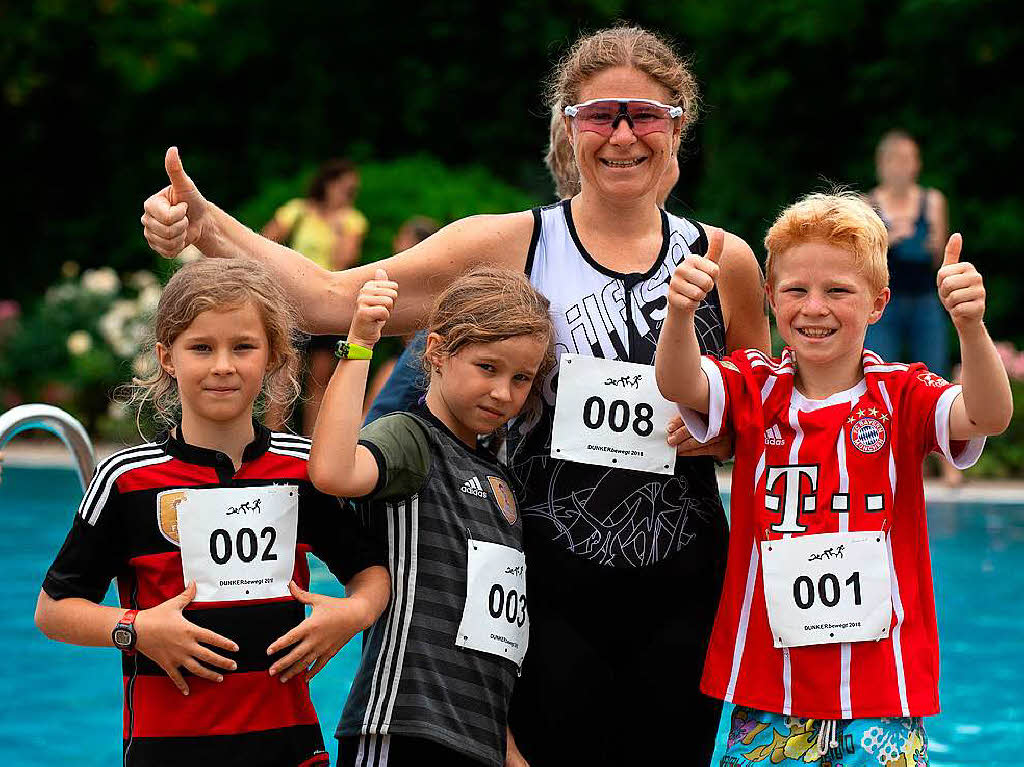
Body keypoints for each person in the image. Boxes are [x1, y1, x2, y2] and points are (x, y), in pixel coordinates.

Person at [140, 24, 770, 763]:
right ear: (568, 129)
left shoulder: (726, 261)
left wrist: (722, 431)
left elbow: (761, 418)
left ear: (678, 124)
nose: (622, 135)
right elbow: (328, 301)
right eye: (599, 115)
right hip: (542, 588)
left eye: (644, 114)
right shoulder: (513, 245)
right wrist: (208, 226)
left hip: (684, 590)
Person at [655, 192, 1011, 764]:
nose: (813, 307)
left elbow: (989, 415)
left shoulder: (905, 394)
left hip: (882, 685)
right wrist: (678, 314)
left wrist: (971, 326)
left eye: (838, 291)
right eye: (796, 290)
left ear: (878, 303)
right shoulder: (752, 384)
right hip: (771, 683)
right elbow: (679, 381)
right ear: (770, 300)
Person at [34, 258, 390, 766]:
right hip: (169, 752)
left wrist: (352, 615)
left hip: (290, 748)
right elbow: (54, 611)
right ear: (167, 358)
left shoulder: (301, 471)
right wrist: (137, 629)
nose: (223, 365)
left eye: (243, 346)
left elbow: (372, 573)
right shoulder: (126, 480)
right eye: (202, 348)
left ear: (272, 358)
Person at [308, 266, 555, 767]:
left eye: (521, 378)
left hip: (476, 738)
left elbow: (492, 634)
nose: (504, 393)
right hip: (403, 724)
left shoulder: (500, 479)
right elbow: (332, 471)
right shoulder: (410, 440)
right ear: (438, 353)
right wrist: (358, 345)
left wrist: (505, 747)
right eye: (488, 368)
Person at [262, 159, 369, 435]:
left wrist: (337, 226)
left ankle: (311, 444)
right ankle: (273, 436)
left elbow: (344, 259)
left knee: (319, 380)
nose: (348, 194)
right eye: (345, 188)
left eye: (352, 190)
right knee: (285, 373)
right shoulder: (297, 211)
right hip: (293, 299)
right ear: (329, 184)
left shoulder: (352, 220)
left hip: (328, 301)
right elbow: (266, 240)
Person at [865, 131, 949, 376]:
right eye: (897, 159)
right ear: (882, 164)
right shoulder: (867, 204)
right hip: (881, 303)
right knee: (877, 372)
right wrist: (890, 240)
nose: (903, 166)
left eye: (909, 159)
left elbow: (941, 260)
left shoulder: (932, 201)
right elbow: (859, 263)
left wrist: (933, 245)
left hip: (925, 298)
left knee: (934, 375)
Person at [361, 216, 440, 423]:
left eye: (403, 237)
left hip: (415, 361)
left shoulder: (413, 279)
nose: (396, 242)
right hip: (410, 359)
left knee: (379, 409)